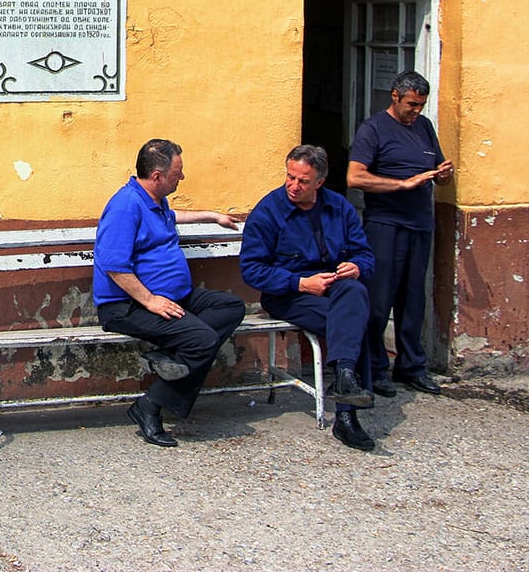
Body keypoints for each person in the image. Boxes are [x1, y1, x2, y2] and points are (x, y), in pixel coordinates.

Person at [94, 138, 247, 448]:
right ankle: (149, 406)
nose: (183, 177)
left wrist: (212, 216)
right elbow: (113, 265)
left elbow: (173, 216)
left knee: (231, 307)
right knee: (202, 340)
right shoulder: (126, 206)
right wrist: (150, 301)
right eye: (178, 173)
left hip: (175, 297)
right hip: (127, 306)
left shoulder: (155, 201)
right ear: (158, 177)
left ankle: (173, 358)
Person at [240, 144, 379, 451]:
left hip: (334, 287)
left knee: (355, 292)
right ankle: (347, 418)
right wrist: (302, 283)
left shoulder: (338, 207)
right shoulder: (269, 211)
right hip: (288, 293)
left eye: (303, 180)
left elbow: (365, 255)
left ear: (320, 182)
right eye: (290, 177)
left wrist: (356, 267)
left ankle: (343, 379)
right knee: (353, 324)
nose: (294, 185)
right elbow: (252, 271)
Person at [348, 70, 453, 397]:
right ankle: (375, 367)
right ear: (395, 96)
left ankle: (411, 366)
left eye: (421, 105)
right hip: (385, 224)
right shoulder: (374, 129)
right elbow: (355, 177)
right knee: (379, 300)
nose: (416, 110)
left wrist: (444, 175)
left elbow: (437, 175)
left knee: (413, 301)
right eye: (411, 104)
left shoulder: (424, 128)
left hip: (420, 224)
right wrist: (401, 184)